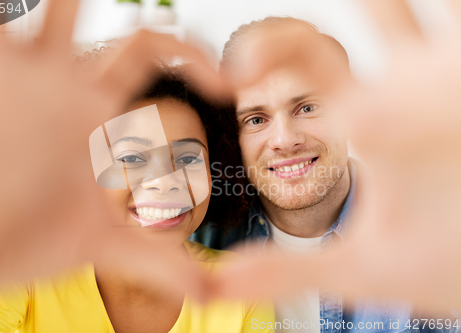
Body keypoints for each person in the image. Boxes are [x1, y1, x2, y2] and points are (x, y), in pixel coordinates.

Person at [193, 15, 460, 332]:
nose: (284, 140)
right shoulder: (201, 233)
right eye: (255, 119)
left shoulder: (432, 233)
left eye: (306, 107)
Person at [0, 65, 273, 333]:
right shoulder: (24, 272)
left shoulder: (245, 289)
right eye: (131, 158)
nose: (164, 183)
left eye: (188, 159)